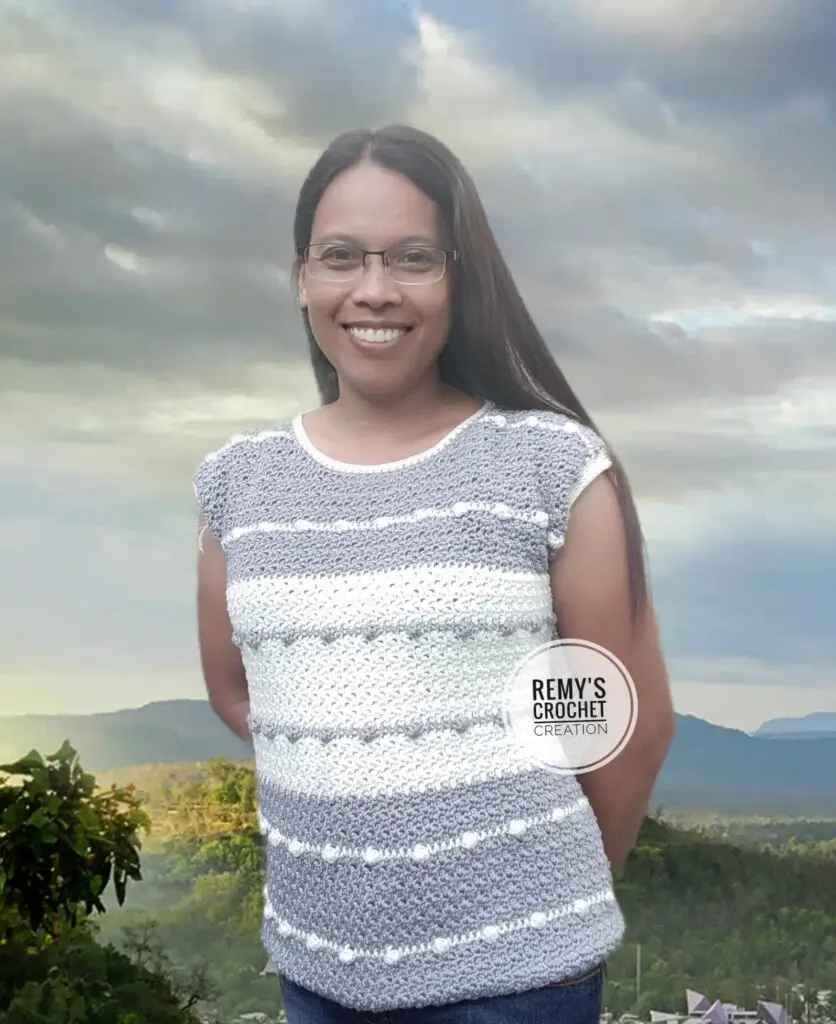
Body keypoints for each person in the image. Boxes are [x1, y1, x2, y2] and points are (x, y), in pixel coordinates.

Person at [194, 123, 675, 1024]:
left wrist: (536, 896)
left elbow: (621, 727)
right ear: (303, 277)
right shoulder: (238, 484)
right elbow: (237, 692)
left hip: (517, 984)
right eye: (341, 257)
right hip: (317, 971)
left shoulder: (546, 467)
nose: (374, 289)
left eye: (413, 256)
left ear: (460, 275)